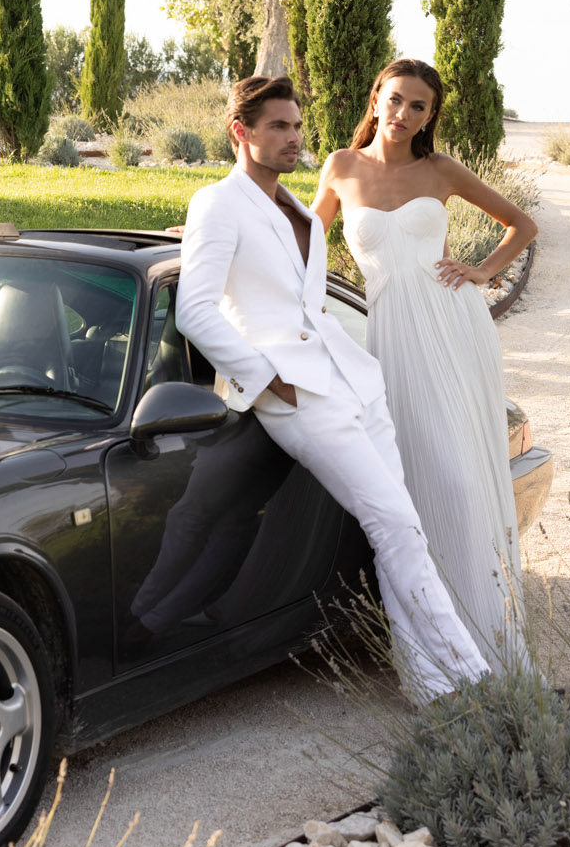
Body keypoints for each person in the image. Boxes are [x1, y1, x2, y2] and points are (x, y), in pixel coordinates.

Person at [176, 74, 489, 701]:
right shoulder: (218, 203)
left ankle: (433, 690)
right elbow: (196, 309)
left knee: (401, 534)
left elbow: (310, 302)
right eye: (278, 127)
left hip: (354, 381)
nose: (294, 137)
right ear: (242, 132)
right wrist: (268, 381)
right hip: (295, 394)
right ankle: (483, 684)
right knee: (397, 527)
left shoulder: (297, 210)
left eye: (296, 125)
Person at [312, 58, 538, 672]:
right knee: (410, 483)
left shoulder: (440, 169)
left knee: (463, 481)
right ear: (375, 98)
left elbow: (522, 224)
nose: (404, 114)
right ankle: (436, 647)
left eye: (419, 106)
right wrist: (207, 234)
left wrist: (483, 272)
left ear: (430, 116)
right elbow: (303, 242)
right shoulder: (340, 167)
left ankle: (487, 640)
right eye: (396, 100)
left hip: (453, 323)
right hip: (392, 334)